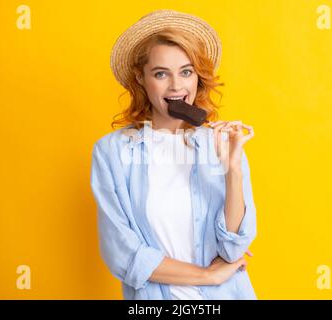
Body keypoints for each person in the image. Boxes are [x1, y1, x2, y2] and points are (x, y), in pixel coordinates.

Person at [90, 9, 257, 300]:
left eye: (186, 71)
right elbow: (124, 255)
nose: (177, 86)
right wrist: (207, 276)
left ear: (197, 78)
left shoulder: (222, 145)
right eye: (160, 73)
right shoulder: (112, 153)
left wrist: (232, 170)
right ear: (141, 79)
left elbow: (232, 248)